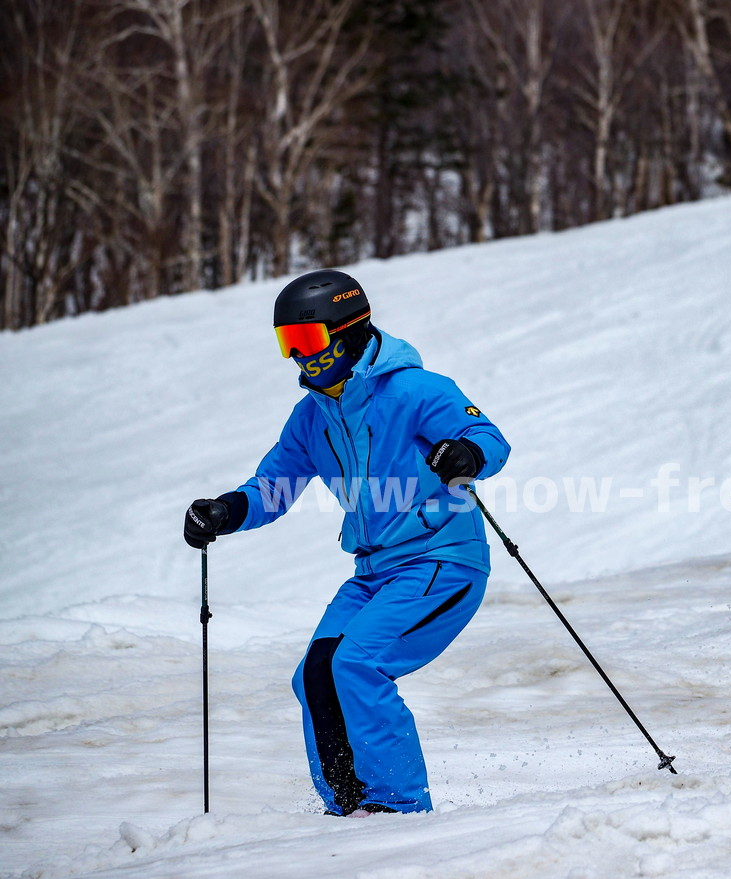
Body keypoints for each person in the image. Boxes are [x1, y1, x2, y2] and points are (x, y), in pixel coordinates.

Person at [183, 269, 510, 816]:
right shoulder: (311, 417)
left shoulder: (416, 390)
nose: (299, 357)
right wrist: (226, 511)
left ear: (350, 330)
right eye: (288, 344)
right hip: (374, 571)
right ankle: (350, 806)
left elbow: (489, 439)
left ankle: (397, 809)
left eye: (307, 340)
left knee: (355, 664)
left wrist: (465, 456)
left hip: (441, 559)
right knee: (315, 673)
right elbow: (272, 486)